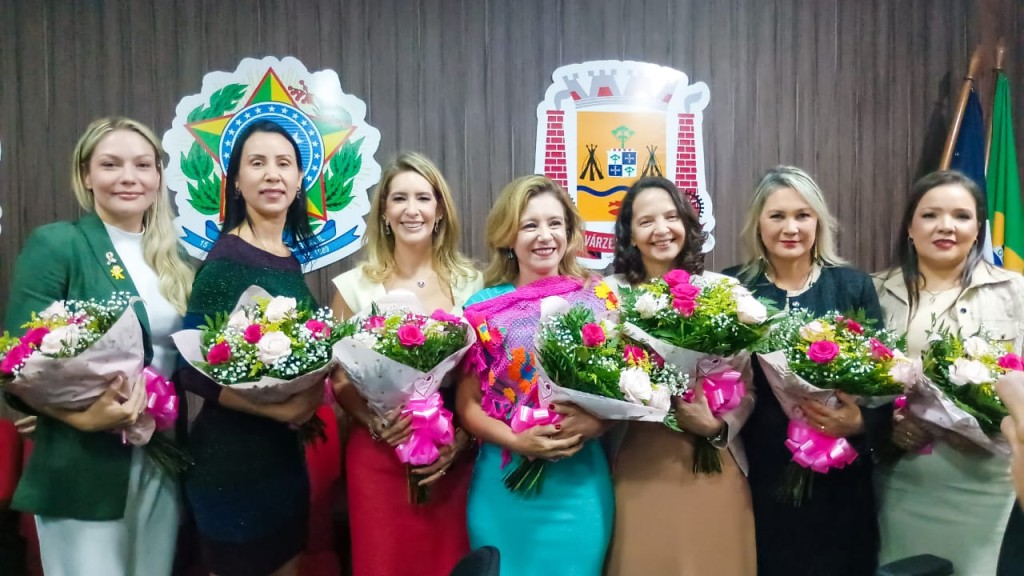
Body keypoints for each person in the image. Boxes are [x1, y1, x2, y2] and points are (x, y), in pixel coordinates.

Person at [3, 117, 194, 576]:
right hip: (82, 458)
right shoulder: (59, 244)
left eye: (142, 165)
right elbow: (16, 362)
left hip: (160, 454)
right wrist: (85, 418)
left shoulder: (175, 260)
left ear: (158, 176)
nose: (129, 177)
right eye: (111, 165)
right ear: (86, 175)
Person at [723, 165, 886, 576]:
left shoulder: (852, 286)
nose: (791, 228)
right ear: (758, 223)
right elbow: (720, 378)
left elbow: (884, 379)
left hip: (841, 476)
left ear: (819, 222)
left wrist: (860, 423)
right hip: (763, 471)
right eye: (777, 216)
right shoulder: (734, 287)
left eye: (803, 215)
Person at [179, 120, 324, 576]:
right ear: (237, 182)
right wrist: (280, 410)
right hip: (229, 465)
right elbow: (190, 369)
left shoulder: (288, 259)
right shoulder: (226, 261)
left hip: (283, 461)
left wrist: (311, 391)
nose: (272, 174)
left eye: (284, 163)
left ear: (299, 181)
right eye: (257, 163)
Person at [330, 152, 481, 576]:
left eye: (423, 198)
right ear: (384, 212)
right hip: (378, 452)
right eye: (399, 199)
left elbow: (484, 375)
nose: (411, 210)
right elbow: (338, 379)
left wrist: (461, 441)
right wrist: (375, 422)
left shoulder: (472, 283)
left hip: (450, 458)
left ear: (440, 211)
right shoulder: (353, 286)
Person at [455, 175, 613, 575]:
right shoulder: (482, 307)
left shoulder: (599, 299)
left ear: (569, 232)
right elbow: (467, 405)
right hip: (503, 484)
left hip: (578, 487)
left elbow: (624, 395)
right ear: (509, 236)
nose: (545, 236)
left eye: (555, 223)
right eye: (530, 225)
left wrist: (599, 422)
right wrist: (516, 440)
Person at [603, 176, 756, 575]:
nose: (661, 229)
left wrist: (716, 427)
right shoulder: (607, 295)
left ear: (687, 224)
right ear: (629, 235)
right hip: (637, 462)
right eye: (646, 221)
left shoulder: (725, 292)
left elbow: (748, 387)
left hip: (712, 458)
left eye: (671, 217)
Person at [874, 170, 1024, 575]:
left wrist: (991, 425)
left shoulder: (1015, 292)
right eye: (930, 215)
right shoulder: (875, 291)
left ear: (979, 229)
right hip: (903, 478)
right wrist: (887, 422)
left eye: (961, 216)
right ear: (910, 228)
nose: (946, 226)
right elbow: (855, 384)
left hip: (989, 480)